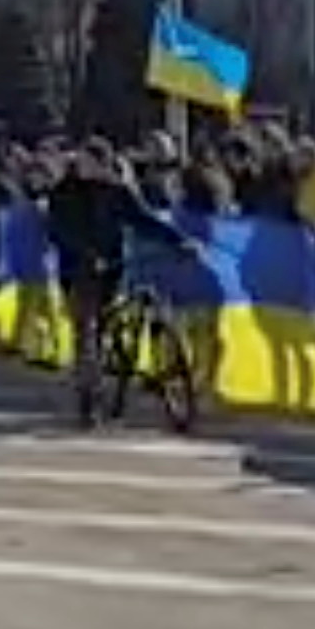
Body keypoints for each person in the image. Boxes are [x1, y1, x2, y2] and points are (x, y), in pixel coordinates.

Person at [41, 140, 188, 427]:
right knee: (88, 333)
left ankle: (124, 367)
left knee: (113, 319)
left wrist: (179, 240)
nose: (86, 168)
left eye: (93, 163)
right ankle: (89, 398)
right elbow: (59, 232)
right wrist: (87, 255)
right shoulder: (64, 193)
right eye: (84, 162)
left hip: (112, 269)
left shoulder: (117, 192)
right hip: (78, 271)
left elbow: (143, 219)